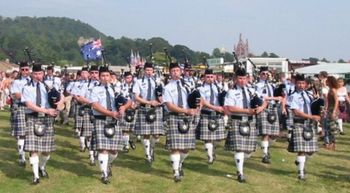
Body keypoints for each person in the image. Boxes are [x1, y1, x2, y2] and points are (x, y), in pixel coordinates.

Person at [22, 64, 64, 184]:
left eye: (40, 73)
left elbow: (61, 96)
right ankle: (36, 176)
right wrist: (46, 110)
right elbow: (29, 105)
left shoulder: (49, 86)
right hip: (33, 117)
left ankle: (42, 167)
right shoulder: (27, 87)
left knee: (47, 150)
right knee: (33, 148)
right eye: (35, 74)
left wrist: (58, 107)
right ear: (31, 74)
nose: (37, 76)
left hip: (47, 119)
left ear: (43, 74)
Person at [89, 66, 131, 184]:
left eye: (107, 75)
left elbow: (129, 101)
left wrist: (123, 107)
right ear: (99, 77)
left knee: (114, 151)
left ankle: (109, 164)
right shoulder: (95, 89)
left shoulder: (116, 89)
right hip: (101, 119)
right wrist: (110, 113)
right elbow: (95, 105)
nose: (105, 78)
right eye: (103, 76)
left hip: (114, 121)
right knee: (103, 149)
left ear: (110, 77)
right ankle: (104, 174)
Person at [224, 68, 263, 183]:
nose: (242, 81)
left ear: (247, 79)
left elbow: (263, 100)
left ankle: (239, 161)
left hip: (251, 121)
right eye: (240, 78)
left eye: (244, 78)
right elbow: (230, 108)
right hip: (237, 120)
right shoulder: (231, 92)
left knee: (248, 151)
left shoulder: (252, 90)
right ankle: (240, 173)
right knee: (240, 149)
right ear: (236, 79)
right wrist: (247, 111)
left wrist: (261, 108)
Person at [163, 62, 200, 182]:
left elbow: (197, 99)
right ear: (170, 72)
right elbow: (169, 105)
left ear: (181, 72)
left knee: (186, 149)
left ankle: (179, 163)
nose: (175, 73)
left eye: (177, 71)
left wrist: (196, 108)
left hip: (187, 118)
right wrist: (186, 110)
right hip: (174, 117)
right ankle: (176, 173)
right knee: (175, 147)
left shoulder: (188, 85)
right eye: (173, 71)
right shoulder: (167, 87)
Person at [287, 74, 320, 180]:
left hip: (310, 124)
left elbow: (314, 107)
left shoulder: (309, 95)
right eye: (299, 83)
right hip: (300, 123)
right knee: (301, 150)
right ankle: (301, 173)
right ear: (295, 84)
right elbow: (296, 111)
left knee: (311, 150)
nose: (301, 85)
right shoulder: (293, 96)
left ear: (306, 84)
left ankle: (299, 161)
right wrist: (311, 116)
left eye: (303, 83)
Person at [133, 63, 164, 164]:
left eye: (150, 70)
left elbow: (162, 96)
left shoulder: (158, 82)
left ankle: (152, 148)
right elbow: (136, 97)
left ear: (153, 71)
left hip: (156, 109)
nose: (149, 72)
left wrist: (160, 100)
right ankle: (147, 155)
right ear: (144, 71)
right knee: (145, 133)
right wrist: (149, 102)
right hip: (144, 108)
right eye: (147, 70)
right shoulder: (138, 82)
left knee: (156, 135)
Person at [198, 69, 226, 164]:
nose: (210, 79)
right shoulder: (201, 88)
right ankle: (210, 156)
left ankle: (211, 151)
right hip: (207, 113)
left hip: (218, 114)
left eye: (211, 77)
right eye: (207, 77)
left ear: (214, 77)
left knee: (218, 138)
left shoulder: (218, 87)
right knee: (207, 138)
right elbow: (203, 102)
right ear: (204, 78)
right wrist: (215, 107)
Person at [255, 66, 282, 164]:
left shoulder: (272, 85)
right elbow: (262, 98)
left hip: (273, 108)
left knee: (275, 134)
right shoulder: (257, 85)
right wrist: (274, 98)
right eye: (263, 74)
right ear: (259, 74)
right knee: (265, 133)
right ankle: (265, 154)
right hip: (264, 108)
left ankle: (263, 145)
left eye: (267, 74)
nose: (265, 75)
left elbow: (280, 96)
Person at [74, 65, 100, 165]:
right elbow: (80, 97)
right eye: (92, 73)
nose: (94, 75)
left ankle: (97, 152)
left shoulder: (103, 85)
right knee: (89, 135)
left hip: (101, 112)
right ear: (89, 74)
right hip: (89, 111)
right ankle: (92, 156)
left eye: (96, 73)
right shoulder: (86, 85)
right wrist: (91, 103)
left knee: (98, 134)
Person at [10, 61, 31, 166]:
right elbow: (17, 95)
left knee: (31, 133)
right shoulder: (16, 82)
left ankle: (31, 155)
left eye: (26, 69)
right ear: (20, 70)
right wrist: (31, 98)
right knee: (21, 134)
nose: (24, 72)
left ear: (29, 70)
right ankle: (21, 155)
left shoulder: (33, 81)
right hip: (22, 108)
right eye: (22, 69)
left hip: (33, 110)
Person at [119, 71, 137, 152]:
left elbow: (139, 96)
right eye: (127, 78)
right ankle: (126, 145)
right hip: (126, 108)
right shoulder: (121, 87)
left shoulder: (136, 86)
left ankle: (131, 140)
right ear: (124, 78)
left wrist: (136, 104)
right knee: (125, 129)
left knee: (133, 129)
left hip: (135, 108)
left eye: (130, 77)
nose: (129, 79)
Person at [324, 76, 339, 150]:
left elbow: (336, 101)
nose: (326, 82)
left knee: (333, 127)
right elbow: (327, 102)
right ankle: (330, 143)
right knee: (328, 127)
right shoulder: (329, 90)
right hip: (329, 110)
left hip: (333, 110)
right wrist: (326, 110)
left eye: (327, 81)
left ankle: (333, 143)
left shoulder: (333, 90)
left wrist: (334, 111)